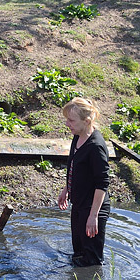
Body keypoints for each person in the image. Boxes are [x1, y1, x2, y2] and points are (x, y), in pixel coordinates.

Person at [58, 97, 110, 266]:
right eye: (67, 119)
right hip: (79, 203)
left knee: (92, 261)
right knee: (78, 252)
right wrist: (66, 189)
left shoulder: (96, 146)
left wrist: (93, 215)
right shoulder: (78, 135)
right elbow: (75, 165)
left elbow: (102, 183)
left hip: (93, 208)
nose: (67, 124)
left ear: (87, 121)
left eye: (71, 120)